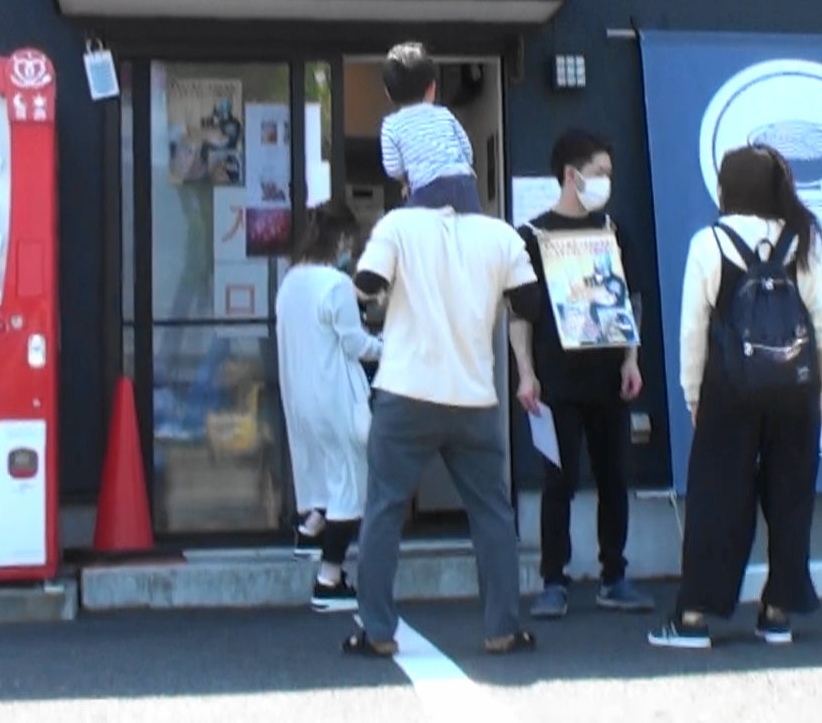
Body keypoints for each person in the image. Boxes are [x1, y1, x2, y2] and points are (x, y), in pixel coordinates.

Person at [648, 145, 822, 651]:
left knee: (717, 497)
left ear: (728, 187)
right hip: (795, 388)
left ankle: (694, 616)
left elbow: (693, 327)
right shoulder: (805, 239)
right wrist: (819, 390)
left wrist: (693, 392)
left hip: (730, 387)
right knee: (791, 497)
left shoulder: (710, 241)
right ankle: (778, 614)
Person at [342, 199, 545, 658]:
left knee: (384, 509)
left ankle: (377, 631)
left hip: (405, 393)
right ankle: (502, 628)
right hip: (473, 398)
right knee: (491, 512)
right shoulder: (501, 234)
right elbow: (529, 303)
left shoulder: (398, 224)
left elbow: (366, 286)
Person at [509, 129, 656, 619]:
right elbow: (519, 314)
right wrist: (526, 373)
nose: (606, 182)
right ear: (571, 175)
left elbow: (632, 300)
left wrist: (632, 359)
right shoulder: (531, 236)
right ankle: (554, 579)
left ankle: (615, 575)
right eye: (599, 173)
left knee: (614, 476)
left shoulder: (613, 230)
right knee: (558, 480)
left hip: (609, 375)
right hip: (556, 379)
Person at [274, 200, 382, 612]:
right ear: (341, 239)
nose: (350, 252)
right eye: (350, 243)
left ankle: (309, 531)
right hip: (335, 397)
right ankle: (329, 580)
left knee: (323, 477)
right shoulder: (335, 285)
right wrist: (392, 347)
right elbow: (356, 345)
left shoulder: (291, 281)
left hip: (300, 397)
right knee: (349, 488)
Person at [378, 41, 480, 213]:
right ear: (432, 88)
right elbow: (467, 151)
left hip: (426, 189)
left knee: (415, 223)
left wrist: (406, 181)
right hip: (463, 183)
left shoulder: (391, 125)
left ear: (388, 94)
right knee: (469, 223)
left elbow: (393, 168)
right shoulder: (444, 114)